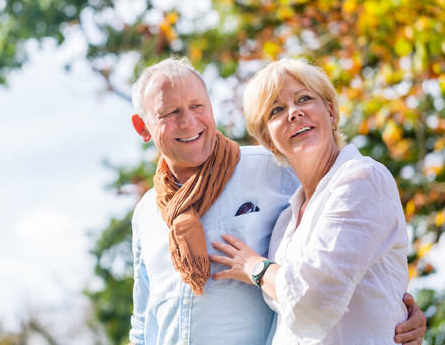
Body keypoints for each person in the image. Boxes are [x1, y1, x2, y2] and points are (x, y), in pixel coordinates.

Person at [127, 56, 426, 345]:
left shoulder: (272, 168)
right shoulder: (145, 213)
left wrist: (402, 311)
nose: (188, 121)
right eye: (170, 112)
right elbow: (143, 321)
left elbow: (361, 245)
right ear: (143, 128)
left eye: (197, 106)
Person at [210, 58, 417, 344]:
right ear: (269, 141)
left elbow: (312, 298)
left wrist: (255, 268)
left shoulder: (363, 179)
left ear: (331, 113)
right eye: (277, 110)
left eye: (304, 98)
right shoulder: (284, 223)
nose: (294, 112)